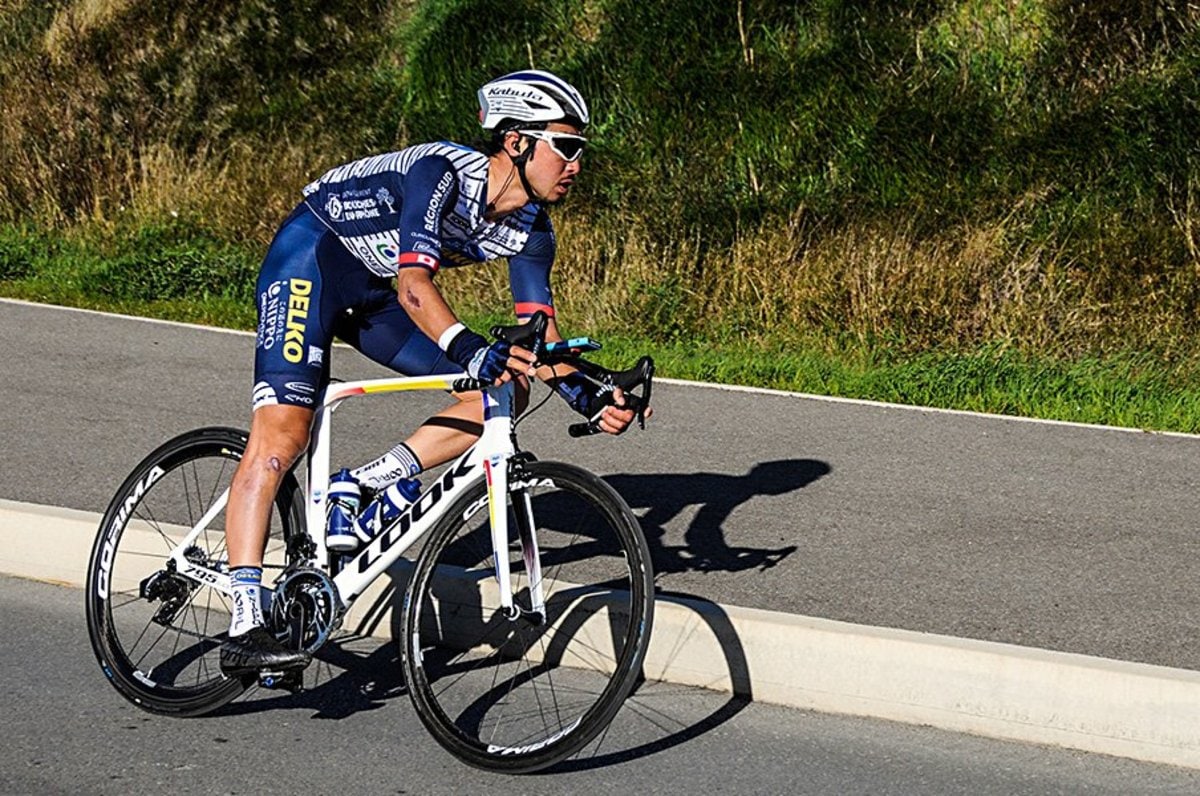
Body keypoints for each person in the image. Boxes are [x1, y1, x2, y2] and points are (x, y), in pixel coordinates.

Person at [218, 70, 647, 675]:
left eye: (581, 150)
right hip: (311, 263)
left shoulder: (533, 230)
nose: (576, 163)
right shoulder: (441, 174)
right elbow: (414, 283)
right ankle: (246, 622)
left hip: (374, 300)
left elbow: (538, 333)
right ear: (518, 142)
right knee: (283, 437)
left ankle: (363, 483)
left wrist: (591, 392)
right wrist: (469, 346)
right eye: (566, 146)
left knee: (506, 388)